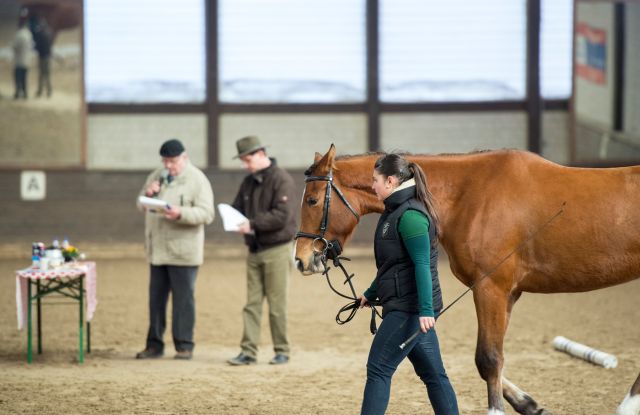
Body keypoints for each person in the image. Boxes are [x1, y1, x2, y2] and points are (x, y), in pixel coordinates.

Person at [358, 153, 459, 414]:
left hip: (410, 310)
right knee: (434, 375)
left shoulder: (411, 216)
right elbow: (393, 264)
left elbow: (422, 265)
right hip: (406, 307)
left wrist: (426, 311)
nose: (372, 186)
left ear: (390, 181)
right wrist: (370, 293)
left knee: (378, 369)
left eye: (375, 180)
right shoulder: (393, 211)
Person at [135, 139, 215, 360]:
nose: (168, 165)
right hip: (157, 250)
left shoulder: (197, 180)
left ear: (184, 157)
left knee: (183, 300)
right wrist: (148, 195)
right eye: (165, 161)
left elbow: (207, 214)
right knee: (156, 300)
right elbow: (140, 204)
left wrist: (180, 213)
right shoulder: (156, 176)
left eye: (172, 161)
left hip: (184, 252)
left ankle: (184, 345)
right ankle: (154, 345)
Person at [227, 135, 297, 366]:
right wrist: (234, 218)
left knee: (277, 305)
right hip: (254, 250)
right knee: (252, 304)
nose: (245, 165)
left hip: (277, 249)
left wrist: (252, 224)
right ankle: (248, 351)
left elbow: (282, 215)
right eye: (243, 161)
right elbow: (237, 207)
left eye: (247, 160)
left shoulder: (281, 179)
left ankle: (282, 350)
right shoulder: (248, 182)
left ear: (260, 154)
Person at [29, 14, 53, 98]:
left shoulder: (41, 34)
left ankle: (41, 91)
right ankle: (48, 91)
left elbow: (38, 46)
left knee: (42, 75)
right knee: (47, 74)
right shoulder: (49, 33)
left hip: (42, 57)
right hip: (47, 56)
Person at [12, 8, 33, 100]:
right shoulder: (28, 34)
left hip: (19, 60)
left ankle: (17, 93)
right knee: (24, 78)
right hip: (27, 60)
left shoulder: (19, 34)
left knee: (18, 78)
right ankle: (25, 93)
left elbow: (15, 47)